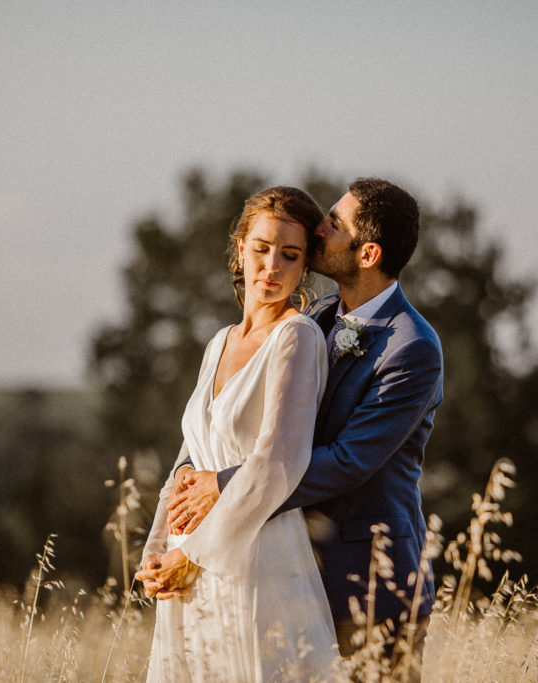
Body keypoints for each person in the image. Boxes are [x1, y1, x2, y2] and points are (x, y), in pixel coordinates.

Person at [166, 178, 444, 681]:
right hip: (289, 573)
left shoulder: (412, 348)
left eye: (335, 224)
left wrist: (223, 487)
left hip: (370, 583)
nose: (321, 228)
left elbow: (346, 462)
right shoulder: (313, 317)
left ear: (368, 253)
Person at [136, 186, 342, 681]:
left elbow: (279, 462)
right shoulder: (218, 343)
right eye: (262, 249)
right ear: (240, 248)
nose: (272, 266)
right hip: (190, 563)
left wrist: (194, 553)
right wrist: (158, 550)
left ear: (304, 266)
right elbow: (190, 456)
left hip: (252, 556)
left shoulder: (297, 337)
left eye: (289, 255)